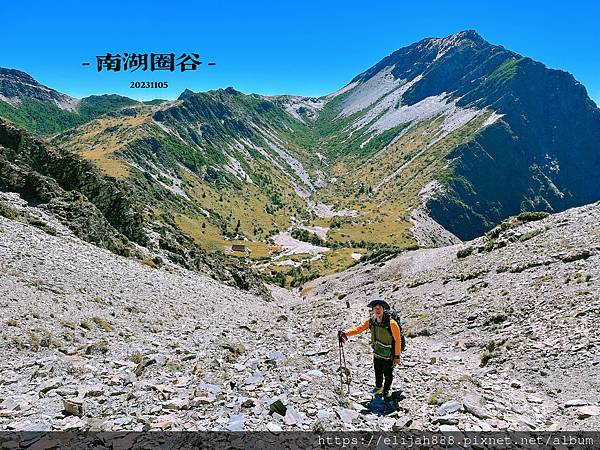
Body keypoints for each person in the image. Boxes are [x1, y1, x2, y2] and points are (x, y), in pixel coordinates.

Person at [339, 299, 401, 401]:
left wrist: (397, 356)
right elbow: (359, 329)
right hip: (377, 352)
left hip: (389, 354)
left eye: (379, 308)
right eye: (375, 308)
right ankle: (378, 387)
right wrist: (345, 333)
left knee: (388, 374)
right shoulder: (371, 321)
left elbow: (397, 340)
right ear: (372, 310)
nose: (377, 310)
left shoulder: (392, 323)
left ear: (383, 309)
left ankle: (386, 391)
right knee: (377, 370)